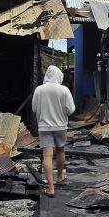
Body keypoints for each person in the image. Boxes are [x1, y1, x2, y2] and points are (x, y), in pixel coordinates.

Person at [32, 65, 75, 197]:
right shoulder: (64, 90)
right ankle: (60, 176)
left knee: (47, 156)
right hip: (61, 126)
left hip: (44, 127)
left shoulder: (39, 90)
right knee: (61, 151)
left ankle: (51, 188)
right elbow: (71, 110)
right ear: (59, 76)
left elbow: (34, 108)